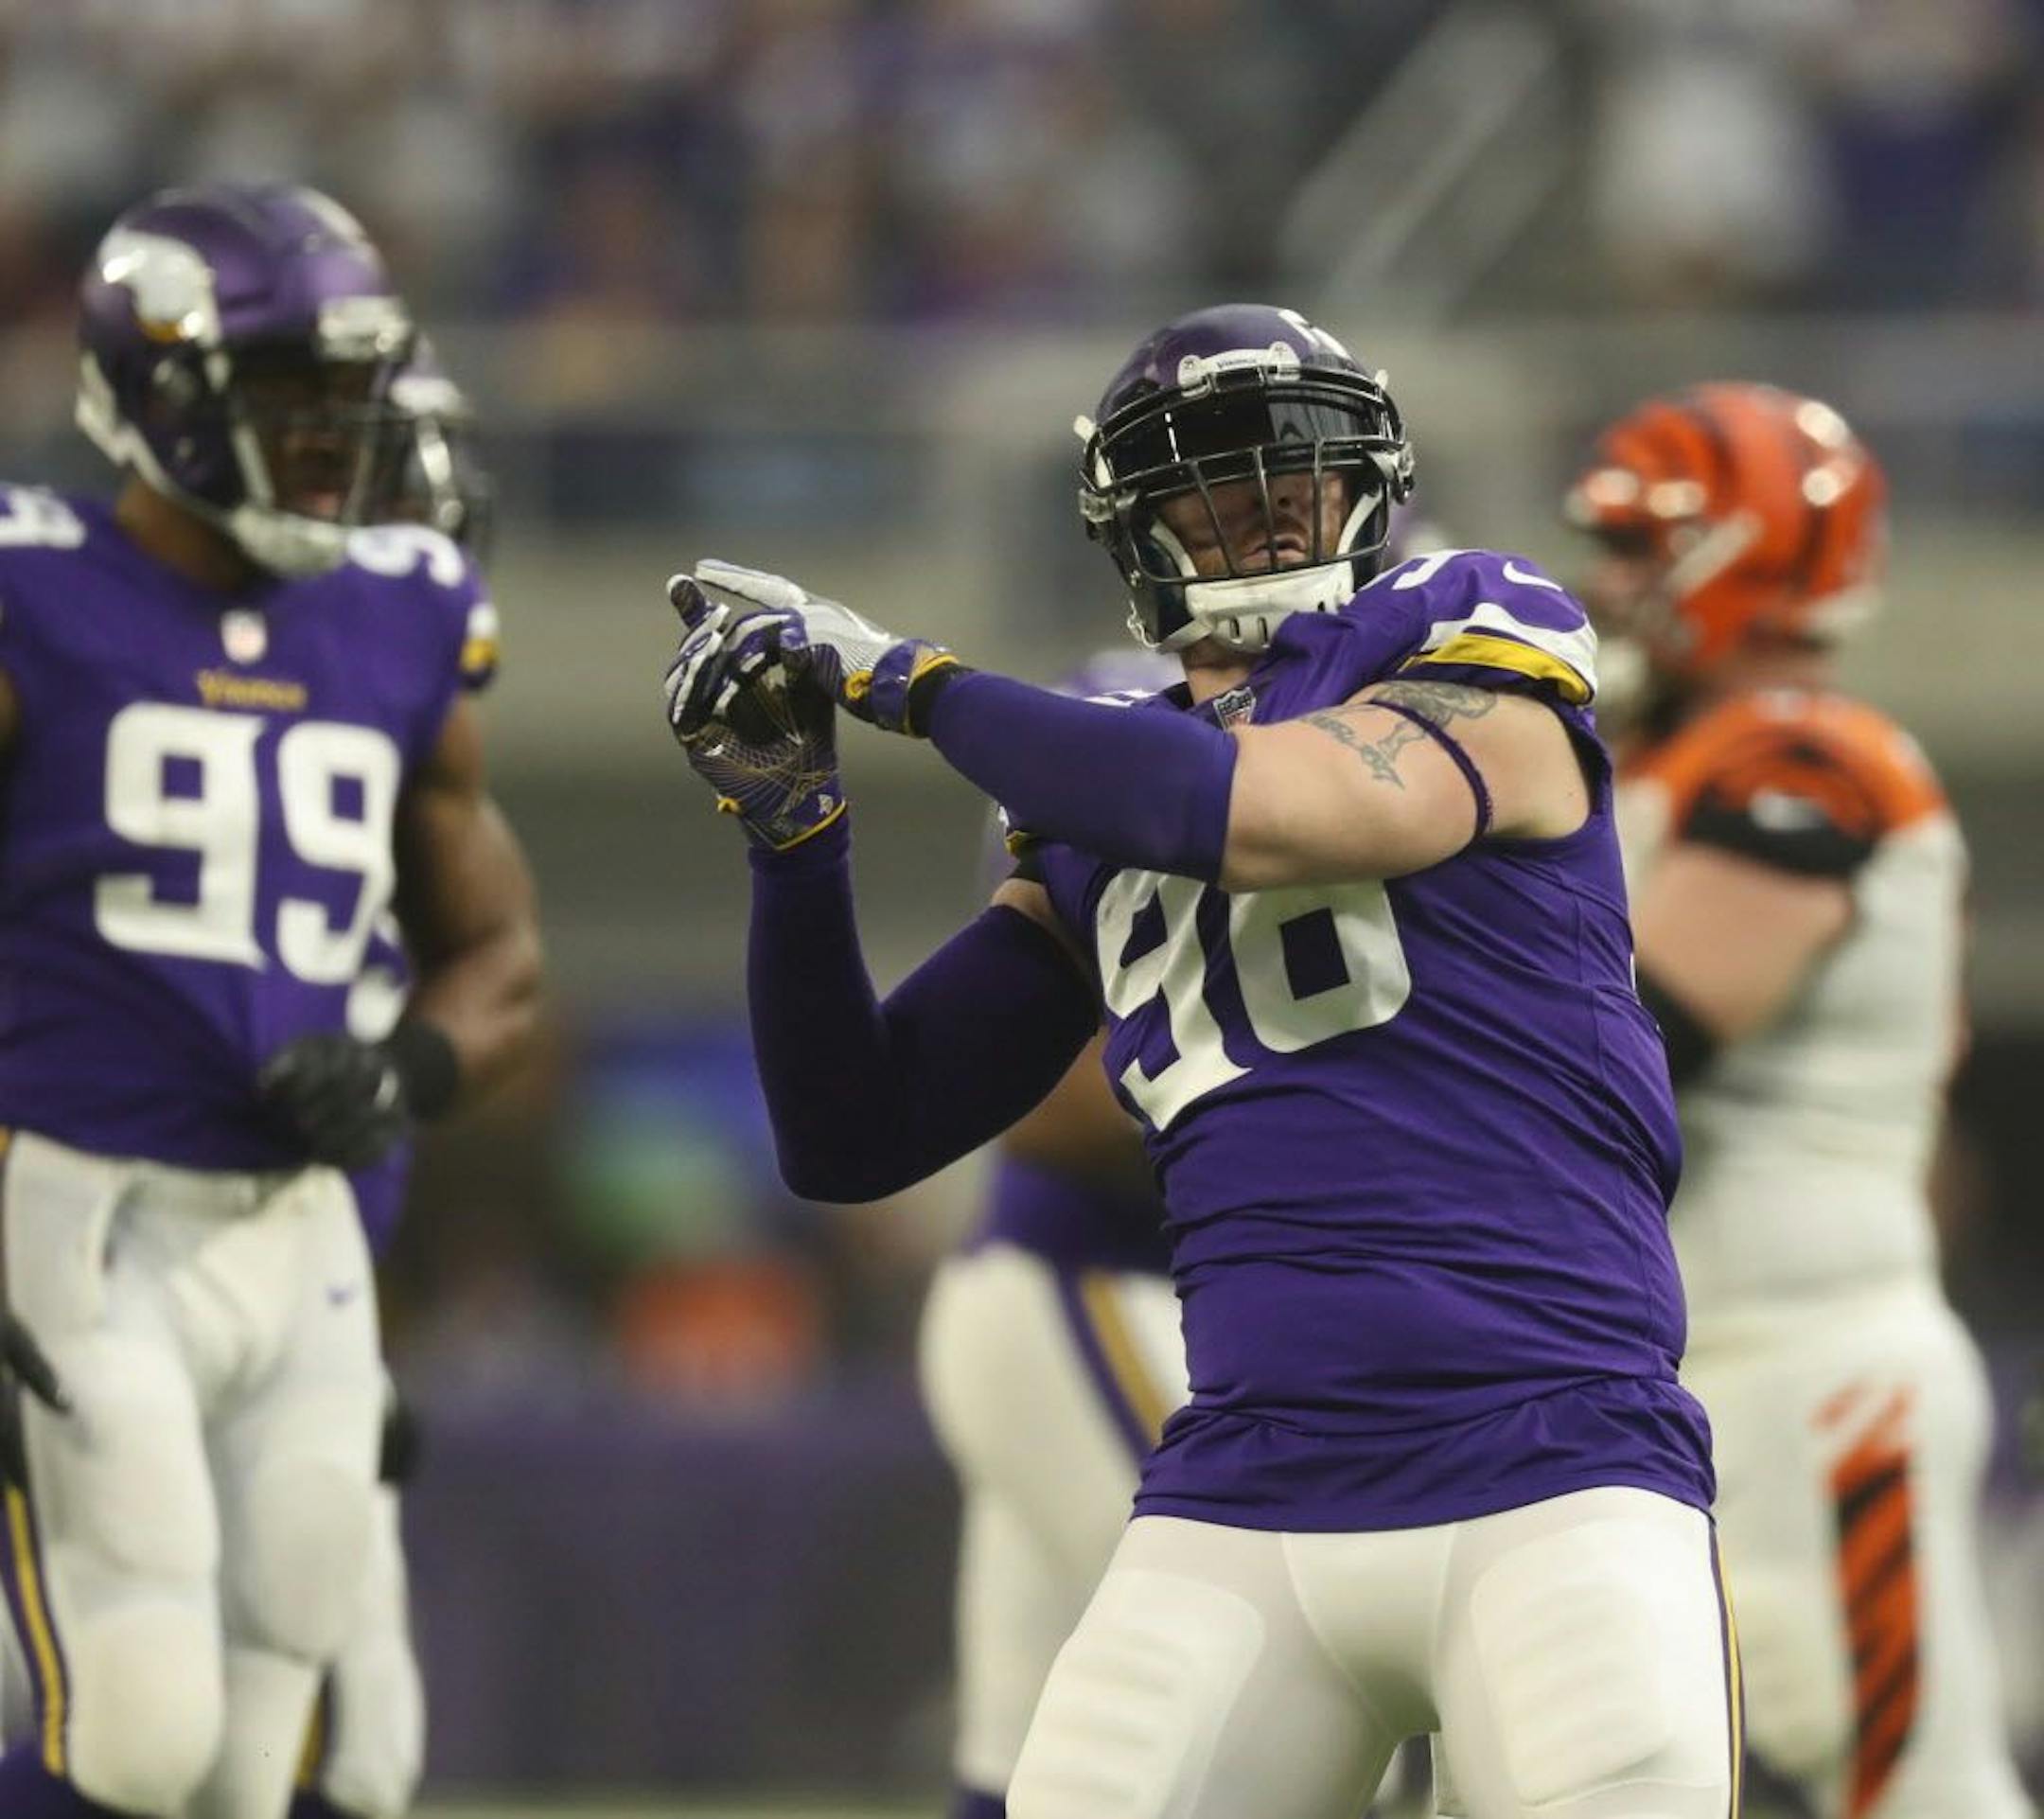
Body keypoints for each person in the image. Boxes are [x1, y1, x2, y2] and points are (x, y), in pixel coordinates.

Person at [662, 303, 1736, 1819]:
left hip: (1549, 1449)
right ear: (1140, 535)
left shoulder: (1472, 639)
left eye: (1295, 471)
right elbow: (855, 1133)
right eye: (1214, 486)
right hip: (1247, 1481)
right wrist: (796, 846)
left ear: (1370, 480)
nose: (1269, 508)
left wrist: (909, 680)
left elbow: (1271, 810)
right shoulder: (1106, 788)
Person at [0, 184, 541, 1819]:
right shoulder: (34, 589)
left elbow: (496, 954)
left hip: (301, 1236)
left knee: (279, 1759)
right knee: (145, 1725)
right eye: (286, 393)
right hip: (77, 1209)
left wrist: (413, 1071)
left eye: (348, 391)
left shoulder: (402, 606)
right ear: (152, 393)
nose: (333, 436)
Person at [1568, 382, 2031, 1819]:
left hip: (1814, 1358)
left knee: (1904, 1784)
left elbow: (1644, 1045)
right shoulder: (1650, 765)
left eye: (1642, 547)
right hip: (1696, 1367)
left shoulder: (1801, 757)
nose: (1607, 584)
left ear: (1741, 553)